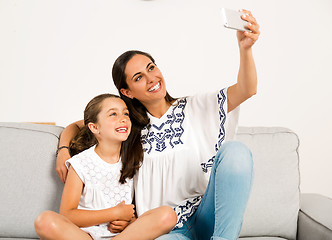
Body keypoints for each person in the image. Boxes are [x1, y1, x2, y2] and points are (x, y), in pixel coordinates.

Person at [56, 9, 260, 240]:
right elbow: (78, 125)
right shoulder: (125, 125)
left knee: (236, 151)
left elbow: (247, 89)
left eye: (151, 68)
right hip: (165, 228)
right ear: (127, 92)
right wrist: (64, 150)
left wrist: (246, 49)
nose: (151, 78)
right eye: (138, 77)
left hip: (206, 215)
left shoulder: (195, 106)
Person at [34, 93, 177, 240]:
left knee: (168, 215)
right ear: (94, 127)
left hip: (122, 236)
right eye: (113, 114)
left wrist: (128, 222)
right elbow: (67, 214)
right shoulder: (80, 164)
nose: (123, 118)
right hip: (85, 236)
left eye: (126, 113)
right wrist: (115, 213)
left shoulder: (133, 158)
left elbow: (132, 211)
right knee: (44, 221)